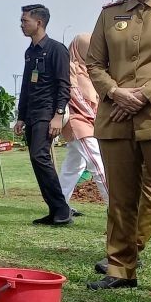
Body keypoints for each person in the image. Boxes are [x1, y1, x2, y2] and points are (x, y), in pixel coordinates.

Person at [86, 0, 151, 297]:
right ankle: (121, 269)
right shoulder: (110, 14)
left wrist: (144, 96)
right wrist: (116, 93)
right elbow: (94, 64)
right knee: (121, 199)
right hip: (115, 117)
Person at [13, 4, 73, 226]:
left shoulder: (57, 49)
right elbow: (27, 87)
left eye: (24, 21)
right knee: (37, 158)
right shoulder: (31, 52)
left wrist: (58, 115)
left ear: (38, 22)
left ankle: (62, 209)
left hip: (48, 112)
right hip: (32, 113)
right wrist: (20, 116)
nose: (21, 25)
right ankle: (56, 209)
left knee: (40, 156)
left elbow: (64, 85)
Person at [57, 34, 108, 210]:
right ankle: (116, 206)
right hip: (79, 121)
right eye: (89, 48)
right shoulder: (70, 67)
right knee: (98, 164)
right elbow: (74, 95)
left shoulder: (90, 70)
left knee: (74, 167)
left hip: (89, 121)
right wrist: (94, 116)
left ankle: (59, 205)